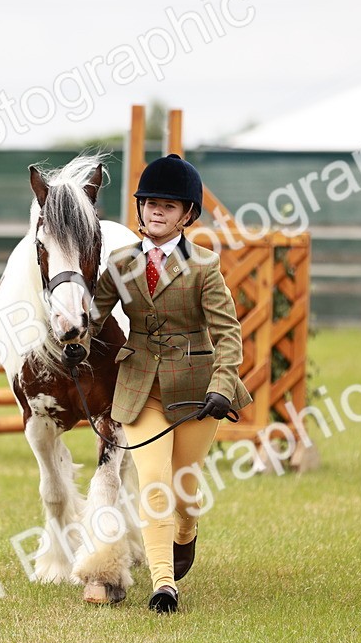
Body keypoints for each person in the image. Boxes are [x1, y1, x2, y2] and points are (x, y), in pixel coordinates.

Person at [90, 154, 252, 614]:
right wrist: (72, 337)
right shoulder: (121, 264)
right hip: (141, 387)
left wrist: (224, 383)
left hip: (198, 392)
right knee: (155, 480)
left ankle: (187, 530)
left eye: (168, 205)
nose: (156, 211)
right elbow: (97, 316)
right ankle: (164, 585)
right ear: (139, 209)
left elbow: (227, 332)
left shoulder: (204, 266)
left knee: (184, 490)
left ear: (187, 215)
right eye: (149, 203)